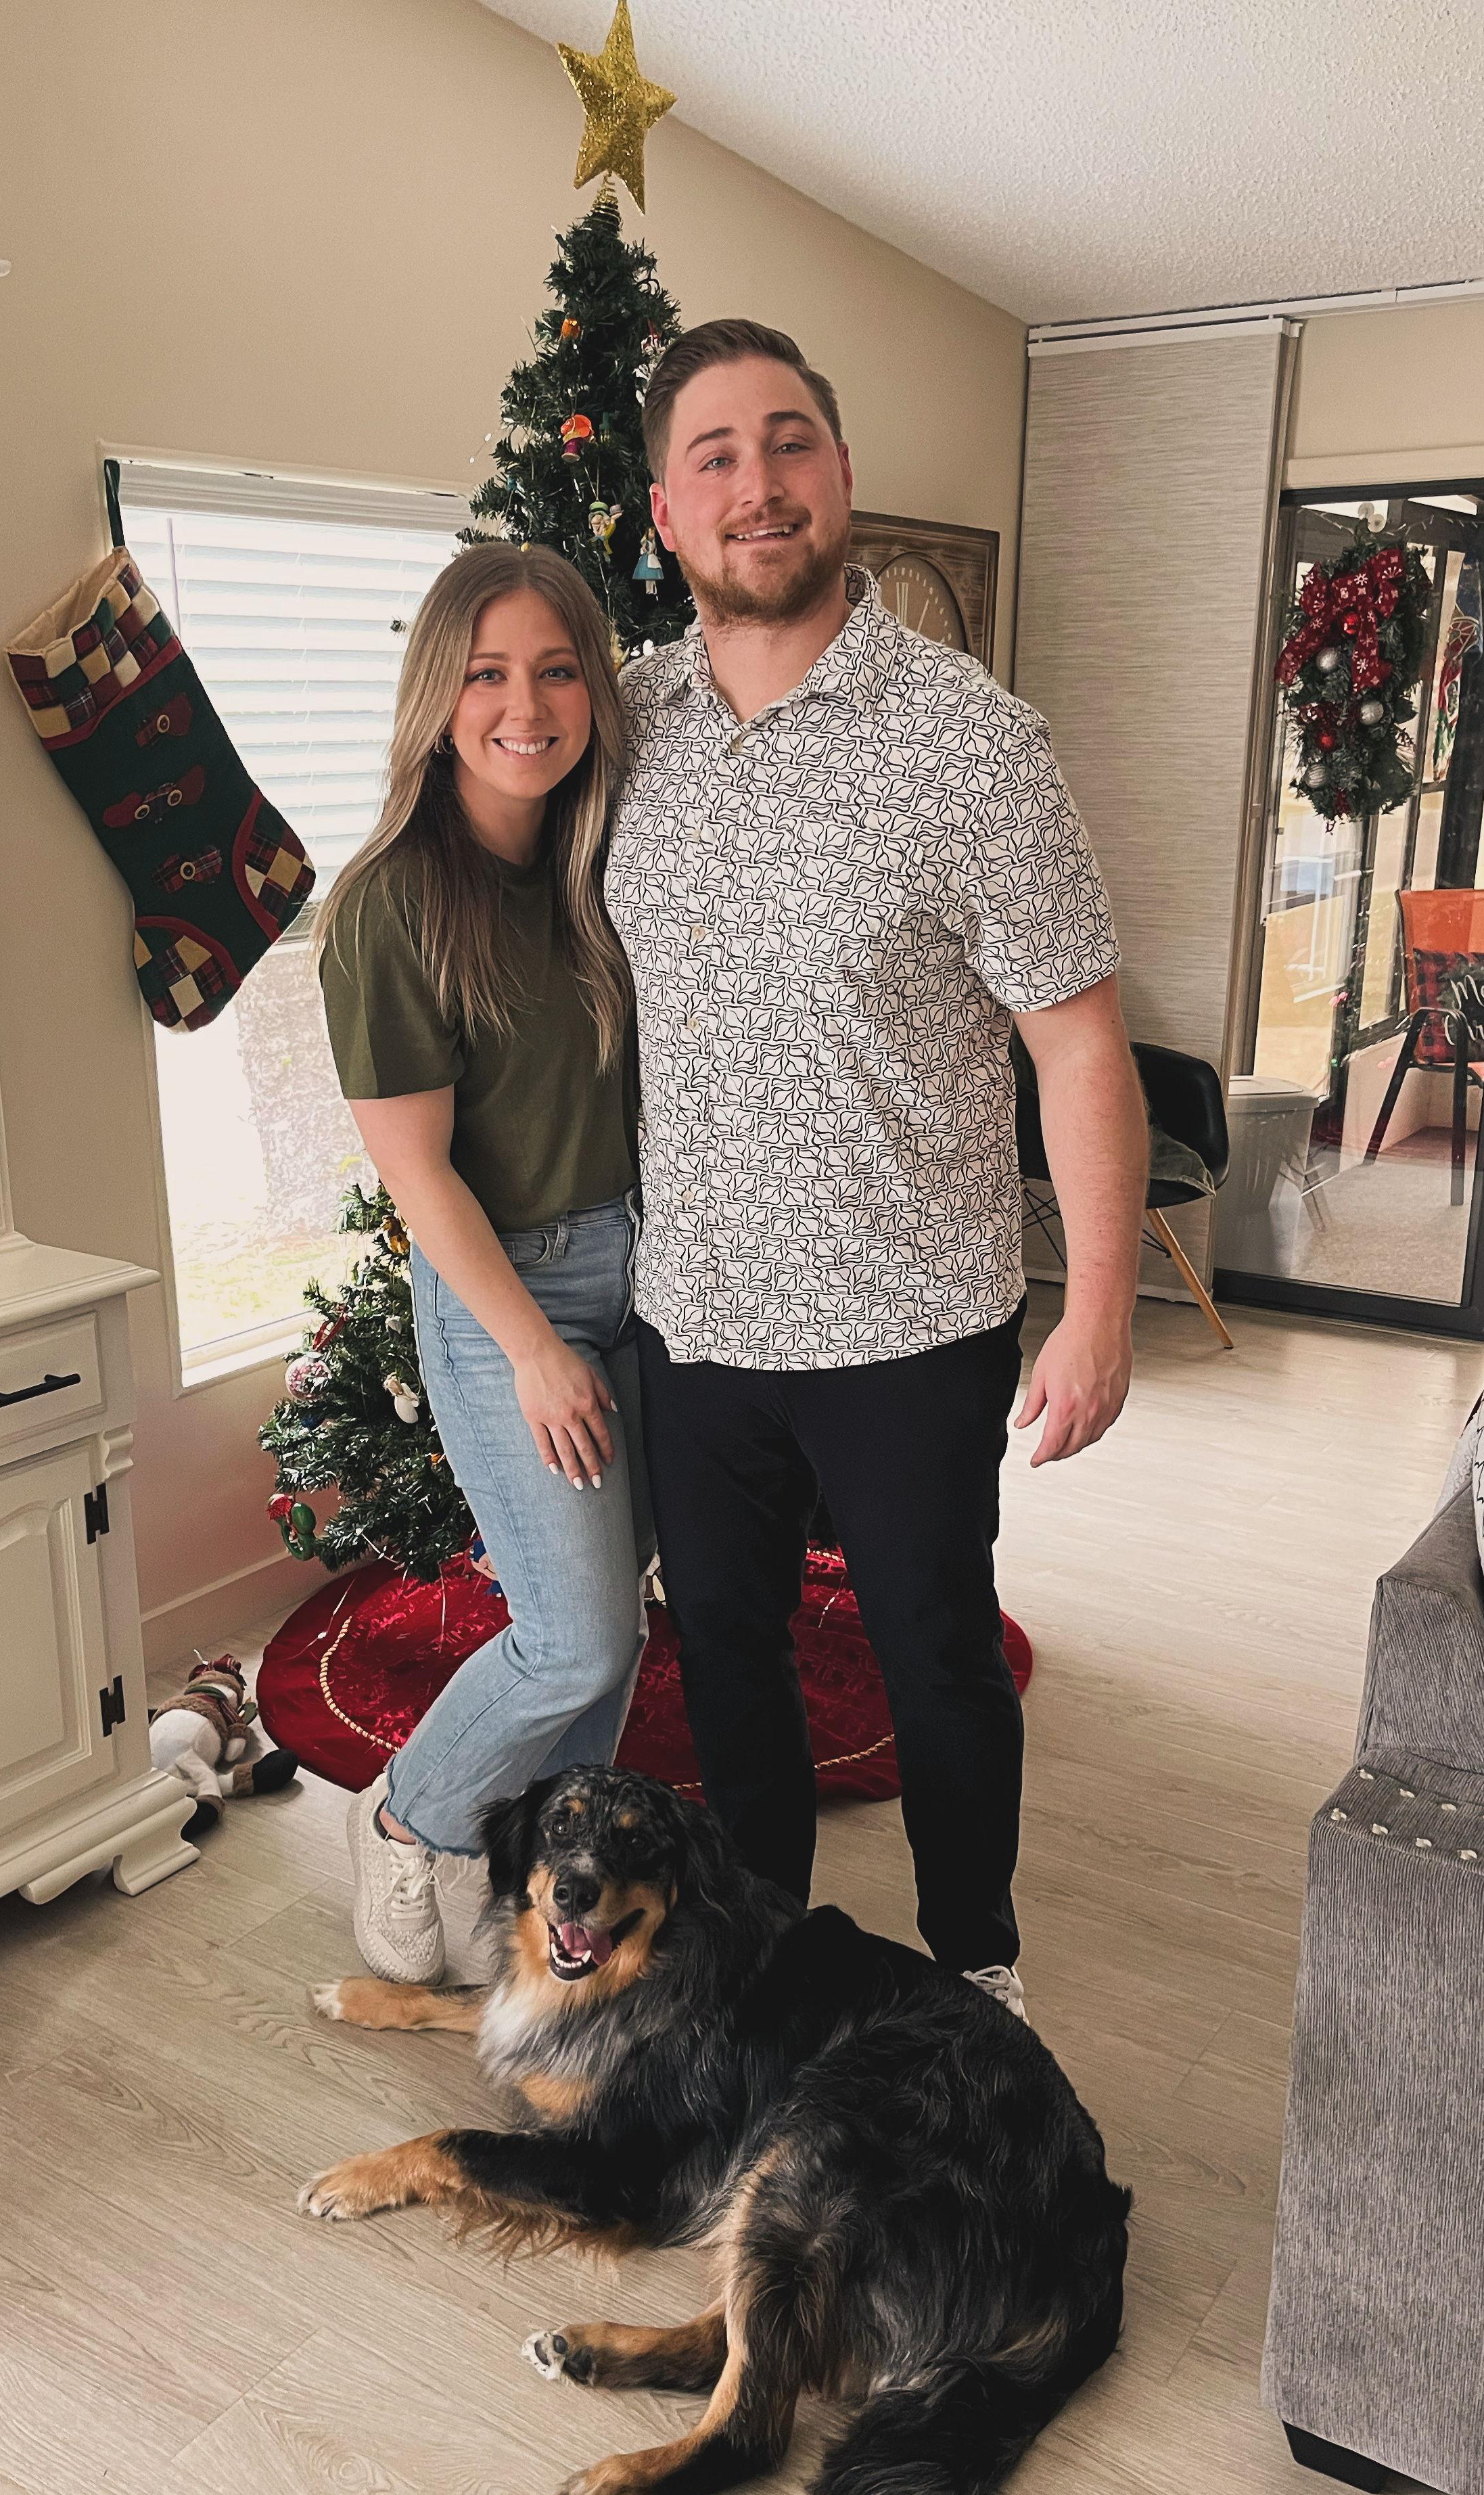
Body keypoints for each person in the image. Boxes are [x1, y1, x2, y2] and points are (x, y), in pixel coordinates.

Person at [607, 319, 1149, 2023]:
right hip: (696, 1317)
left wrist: (1102, 1307)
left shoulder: (973, 743)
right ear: (666, 511)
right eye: (714, 456)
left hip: (912, 1320)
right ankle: (762, 1965)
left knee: (935, 1658)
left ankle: (974, 1966)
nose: (756, 484)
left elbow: (1080, 1046)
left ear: (840, 475)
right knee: (729, 1653)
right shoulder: (620, 726)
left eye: (789, 444)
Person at [315, 542, 651, 1984]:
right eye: (489, 674)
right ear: (437, 697)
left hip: (646, 1271)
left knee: (615, 1633)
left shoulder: (592, 864)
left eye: (558, 671)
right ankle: (410, 1818)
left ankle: (546, 1887)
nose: (528, 706)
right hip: (509, 1294)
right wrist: (534, 1349)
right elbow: (418, 1175)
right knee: (572, 1641)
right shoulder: (393, 904)